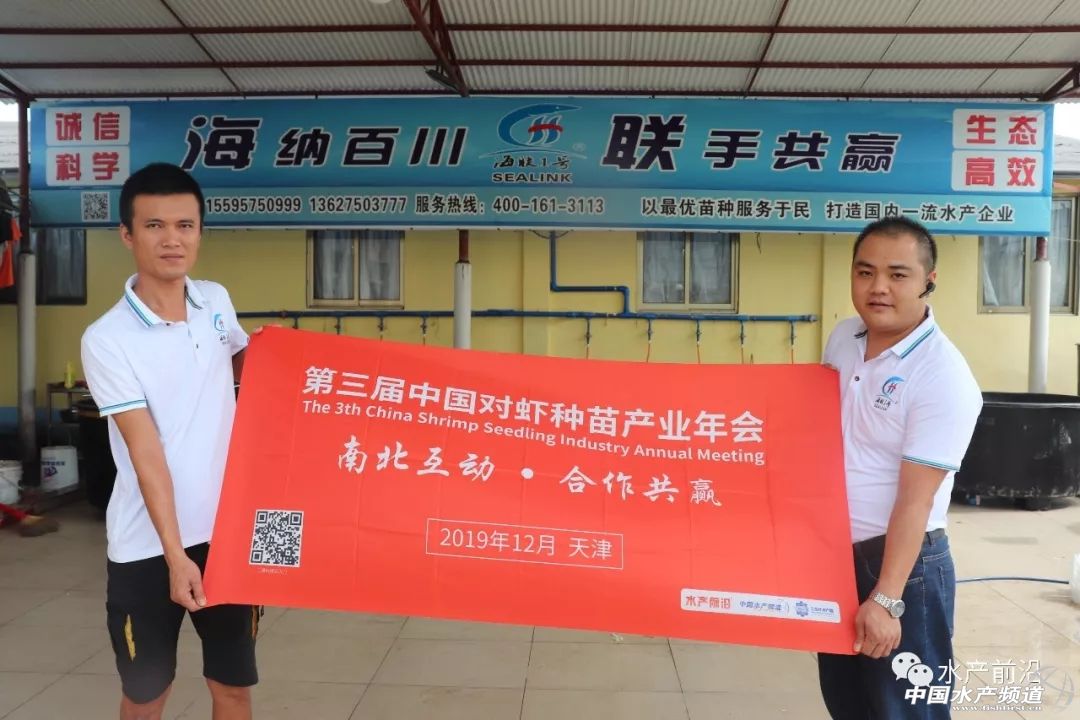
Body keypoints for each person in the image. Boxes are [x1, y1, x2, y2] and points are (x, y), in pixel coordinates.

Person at [81, 163, 258, 720]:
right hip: (148, 547)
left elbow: (239, 364)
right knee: (147, 696)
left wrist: (283, 356)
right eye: (154, 225)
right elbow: (146, 452)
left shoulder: (215, 300)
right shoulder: (107, 339)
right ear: (127, 235)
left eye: (185, 225)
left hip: (227, 534)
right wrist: (176, 556)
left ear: (200, 232)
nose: (172, 239)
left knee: (232, 688)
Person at [817, 217, 983, 719]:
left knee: (907, 711)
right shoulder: (844, 337)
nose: (879, 288)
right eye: (865, 272)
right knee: (848, 704)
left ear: (929, 281)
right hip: (835, 559)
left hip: (903, 570)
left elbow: (917, 499)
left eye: (897, 274)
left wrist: (887, 599)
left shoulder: (941, 374)